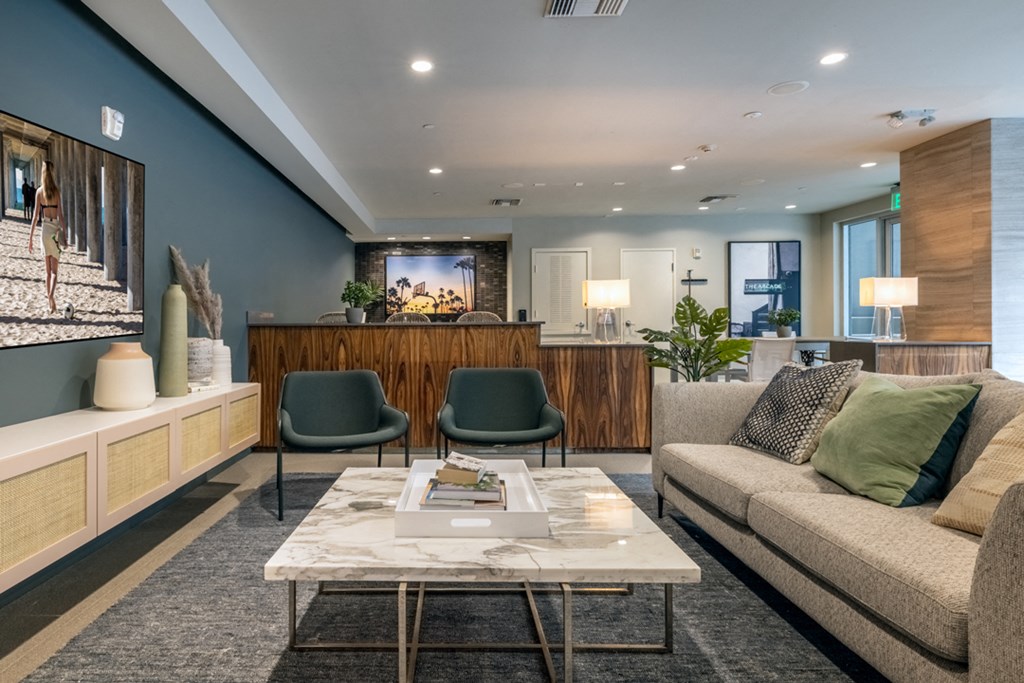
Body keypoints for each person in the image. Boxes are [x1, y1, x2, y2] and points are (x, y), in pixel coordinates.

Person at [28, 162, 68, 314]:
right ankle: (51, 296)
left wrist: (30, 238)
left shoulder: (39, 192)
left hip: (44, 231)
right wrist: (64, 235)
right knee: (55, 272)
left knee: (47, 272)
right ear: (52, 172)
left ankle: (50, 303)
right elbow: (61, 216)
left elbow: (34, 217)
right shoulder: (56, 191)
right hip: (55, 231)